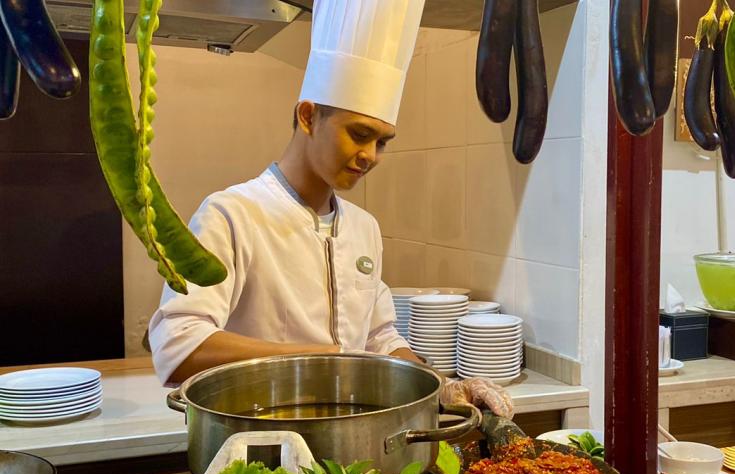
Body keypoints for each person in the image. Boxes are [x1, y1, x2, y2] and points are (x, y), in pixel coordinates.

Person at [148, 0, 513, 419]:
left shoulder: (363, 227)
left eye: (382, 142)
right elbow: (179, 344)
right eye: (359, 134)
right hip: (264, 434)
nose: (371, 155)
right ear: (308, 116)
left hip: (359, 435)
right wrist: (329, 359)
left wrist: (440, 385)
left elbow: (379, 338)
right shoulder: (232, 214)